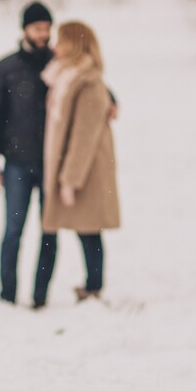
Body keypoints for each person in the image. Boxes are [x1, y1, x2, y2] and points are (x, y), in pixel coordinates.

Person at [0, 1, 58, 308]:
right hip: (16, 164)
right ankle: (7, 295)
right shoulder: (6, 69)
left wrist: (111, 99)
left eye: (47, 28)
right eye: (38, 28)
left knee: (49, 231)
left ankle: (40, 296)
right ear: (25, 29)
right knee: (13, 230)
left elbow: (91, 83)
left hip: (52, 164)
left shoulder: (58, 64)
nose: (44, 34)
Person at [40, 22, 120, 301]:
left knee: (89, 229)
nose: (55, 47)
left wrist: (70, 179)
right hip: (76, 165)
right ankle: (92, 285)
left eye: (61, 42)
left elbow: (83, 136)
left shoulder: (88, 83)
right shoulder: (67, 76)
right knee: (85, 228)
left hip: (88, 168)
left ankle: (94, 287)